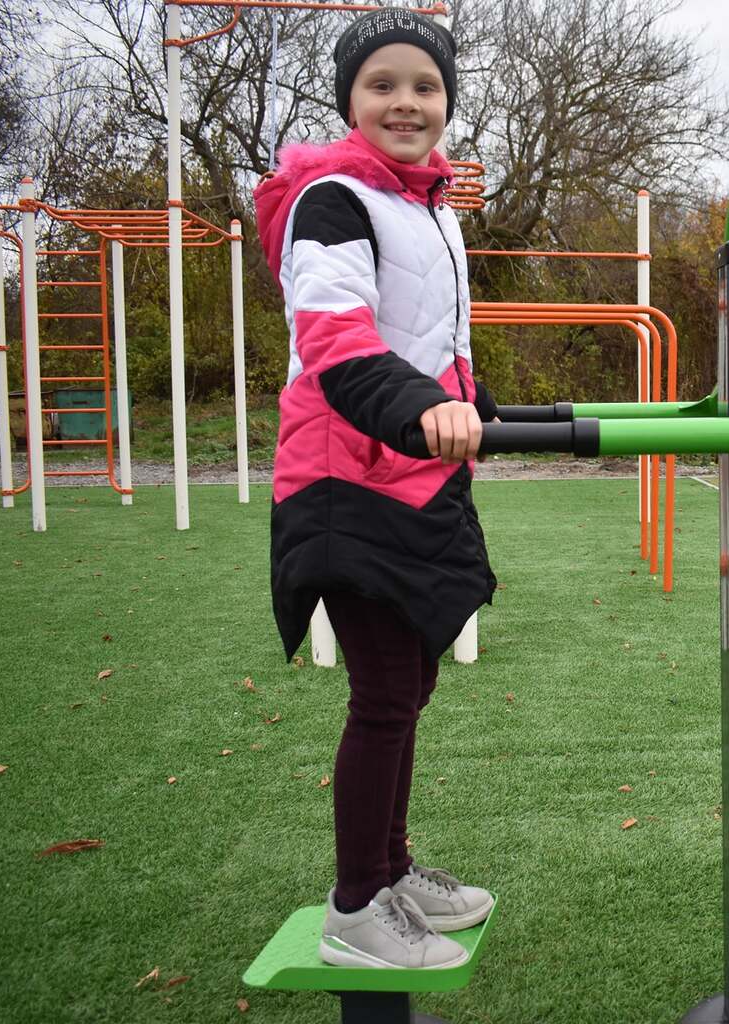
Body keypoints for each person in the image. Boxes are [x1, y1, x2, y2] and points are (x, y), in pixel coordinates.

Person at [253, 8, 499, 970]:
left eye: (425, 86)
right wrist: (418, 409)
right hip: (344, 474)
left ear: (446, 101)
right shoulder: (334, 200)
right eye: (383, 84)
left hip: (413, 470)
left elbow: (431, 343)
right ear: (350, 100)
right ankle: (357, 908)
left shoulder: (429, 207)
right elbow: (337, 342)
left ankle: (391, 872)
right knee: (385, 692)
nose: (406, 101)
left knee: (413, 679)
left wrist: (474, 407)